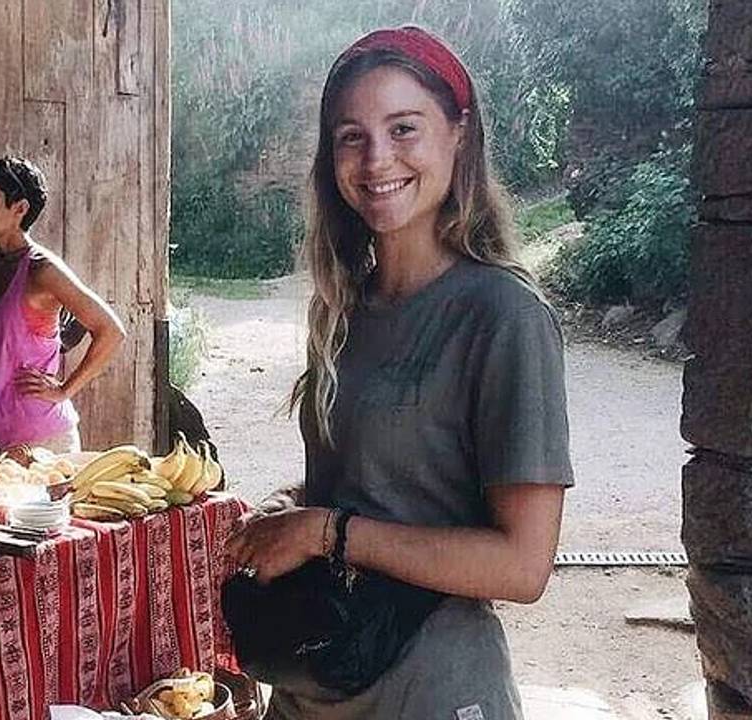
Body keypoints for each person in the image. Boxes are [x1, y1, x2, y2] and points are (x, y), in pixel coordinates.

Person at [224, 26, 573, 719]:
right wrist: (297, 507)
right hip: (314, 676)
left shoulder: (503, 315)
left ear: (459, 136)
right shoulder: (346, 304)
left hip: (430, 686)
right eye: (351, 136)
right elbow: (386, 480)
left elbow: (522, 566)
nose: (377, 158)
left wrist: (327, 531)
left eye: (404, 128)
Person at [0, 156, 125, 453]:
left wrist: (63, 390)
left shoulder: (42, 270)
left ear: (20, 209)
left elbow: (111, 330)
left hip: (43, 444)